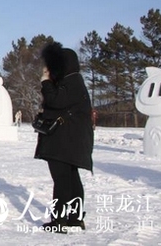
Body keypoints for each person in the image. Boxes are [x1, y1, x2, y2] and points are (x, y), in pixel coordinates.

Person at [34, 42, 94, 234]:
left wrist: (45, 81)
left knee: (62, 181)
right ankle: (75, 219)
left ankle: (59, 220)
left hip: (63, 143)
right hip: (70, 142)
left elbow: (54, 101)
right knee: (71, 180)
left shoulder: (72, 82)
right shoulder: (74, 82)